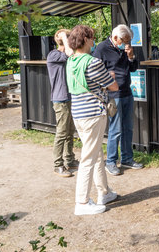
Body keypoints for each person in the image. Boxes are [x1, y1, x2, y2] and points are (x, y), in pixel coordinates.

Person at [66, 25, 119, 216]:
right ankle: (82, 201)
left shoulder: (71, 61)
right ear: (86, 39)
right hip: (93, 114)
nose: (93, 41)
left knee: (95, 154)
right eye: (92, 38)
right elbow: (113, 86)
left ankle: (104, 192)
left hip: (78, 113)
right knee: (89, 157)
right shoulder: (93, 62)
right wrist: (110, 76)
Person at [93, 24, 142, 176]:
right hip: (113, 95)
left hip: (127, 92)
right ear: (115, 38)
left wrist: (131, 56)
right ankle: (111, 162)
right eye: (124, 41)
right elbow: (94, 71)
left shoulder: (126, 49)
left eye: (128, 41)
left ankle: (127, 158)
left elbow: (133, 68)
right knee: (115, 129)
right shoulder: (101, 48)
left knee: (128, 127)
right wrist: (107, 80)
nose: (126, 44)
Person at [46, 29, 77, 178]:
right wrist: (65, 37)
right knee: (62, 132)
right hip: (60, 99)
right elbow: (68, 54)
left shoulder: (68, 55)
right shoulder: (53, 55)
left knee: (70, 131)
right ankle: (57, 165)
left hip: (70, 98)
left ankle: (70, 159)